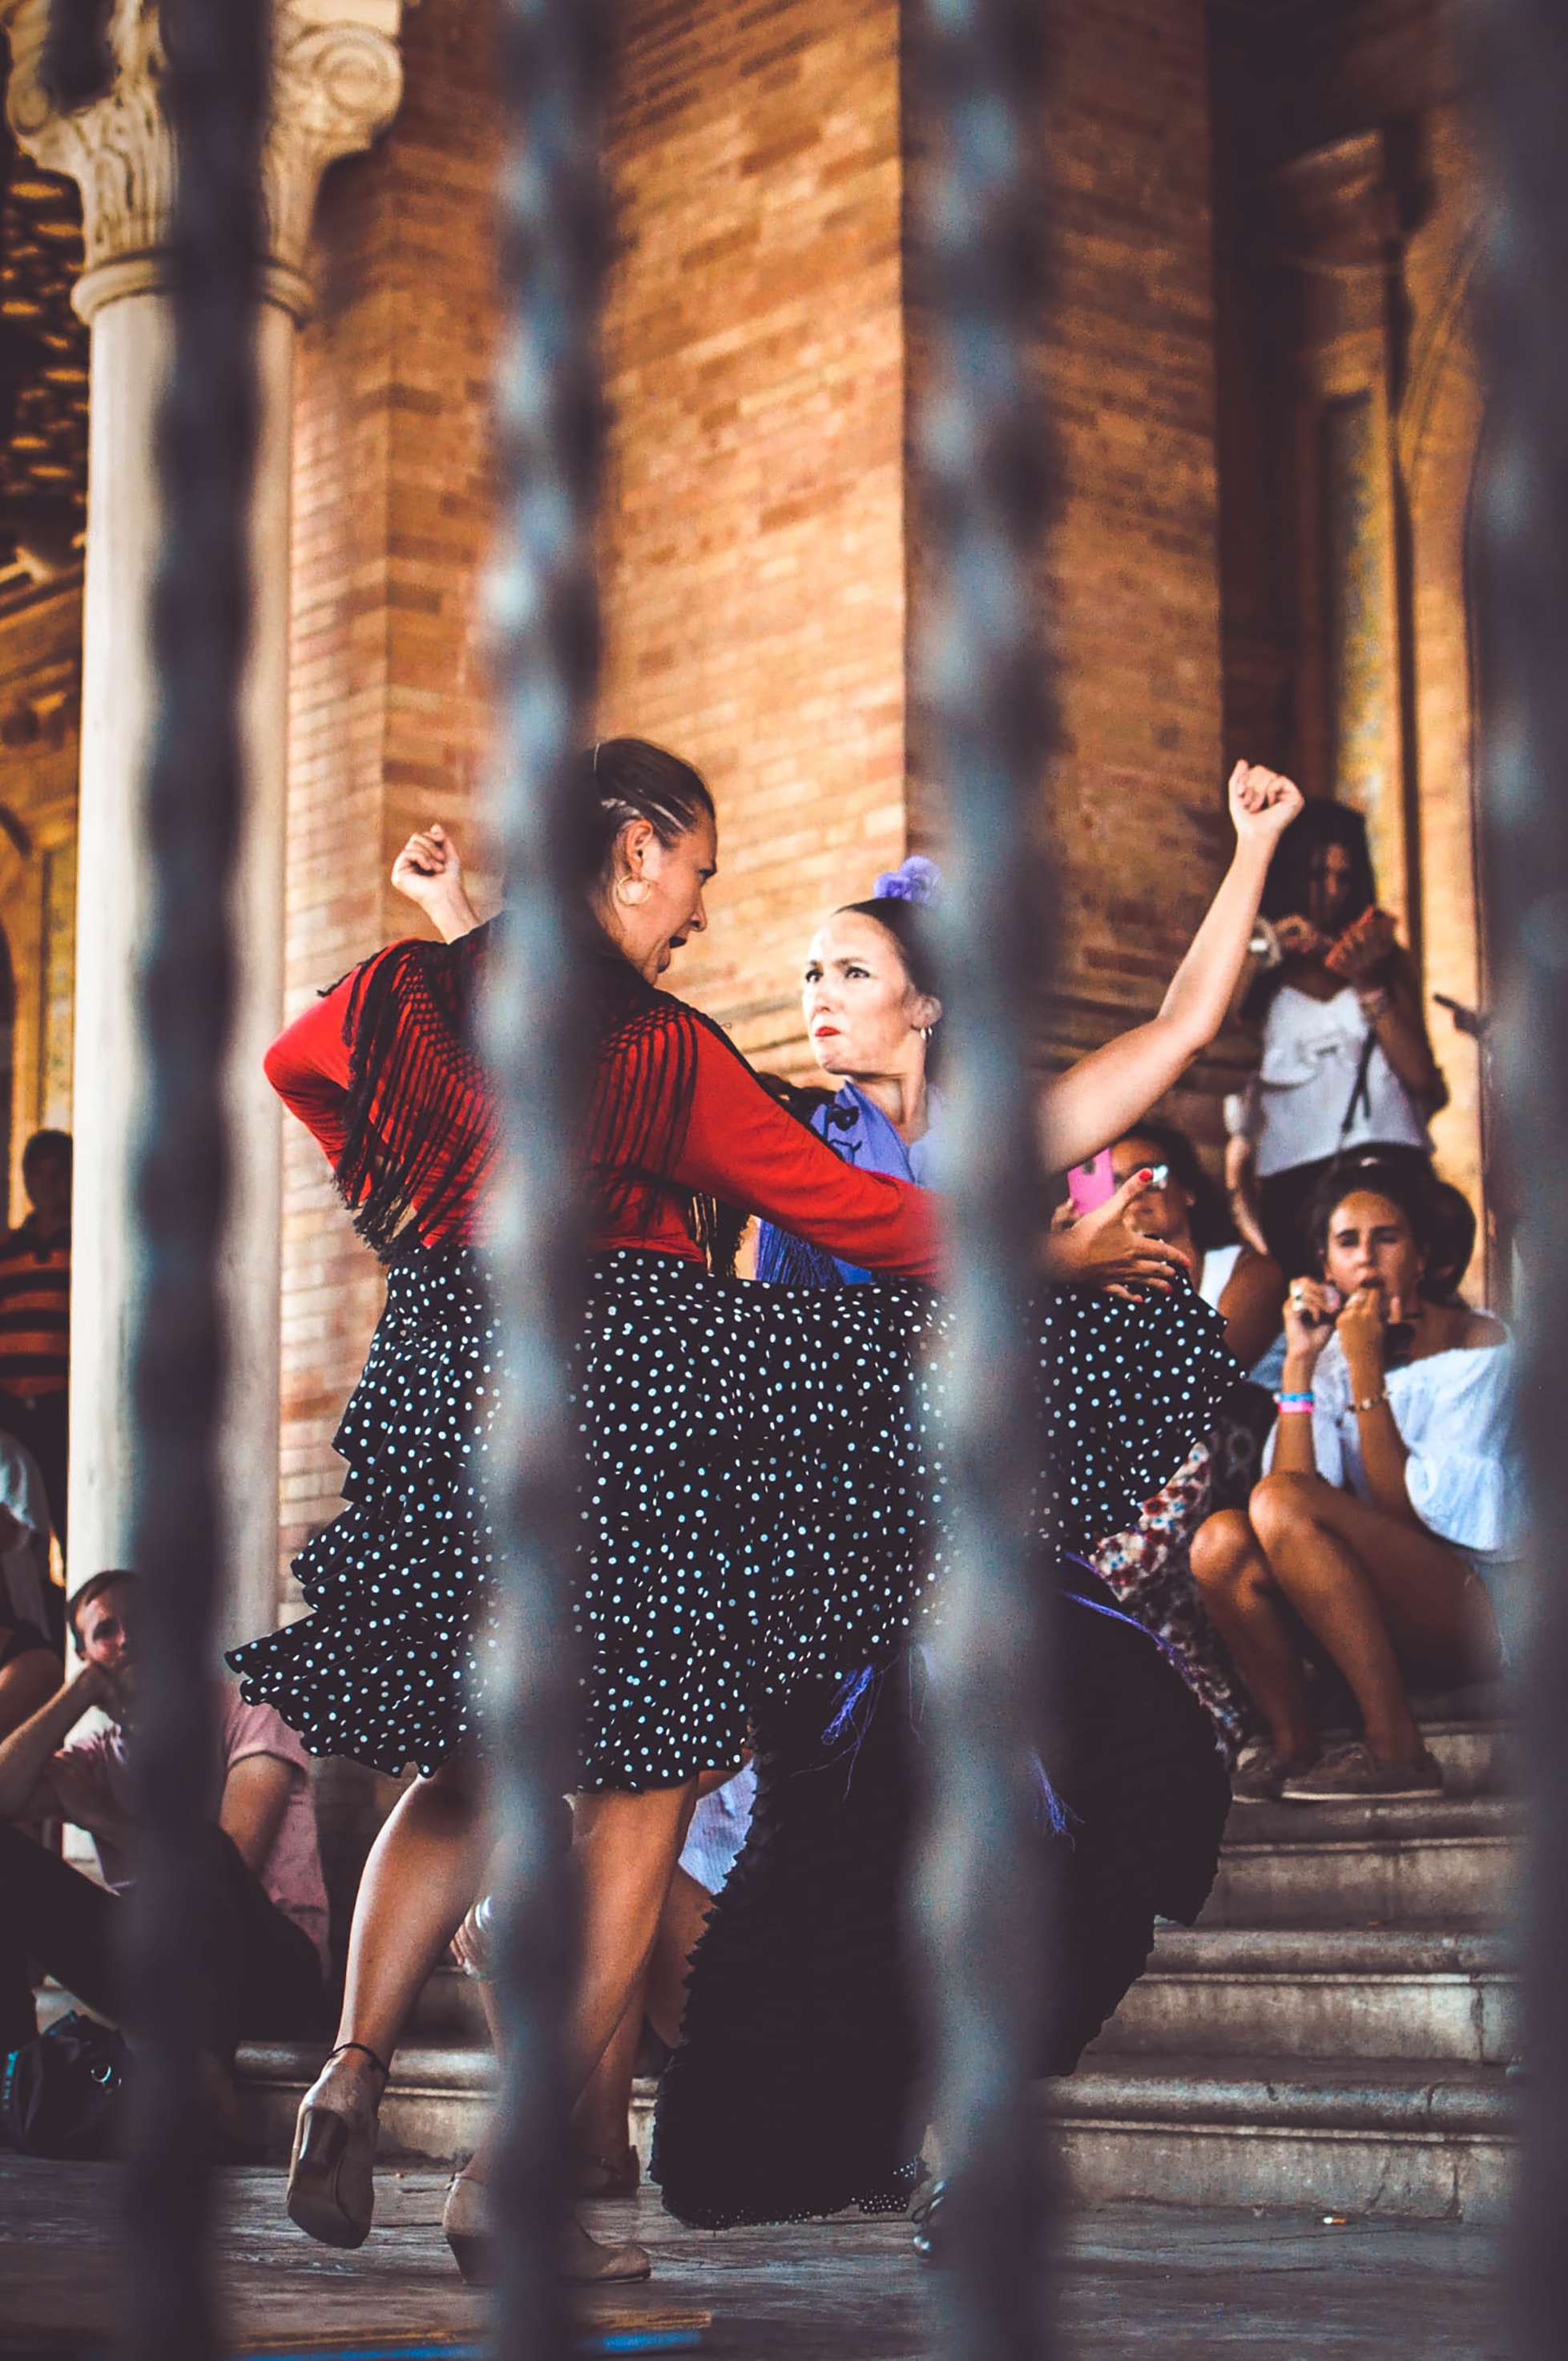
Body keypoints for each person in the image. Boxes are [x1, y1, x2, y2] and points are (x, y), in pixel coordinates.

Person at [231, 737, 953, 2284]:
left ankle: (351, 2066)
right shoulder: (661, 1053)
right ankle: (508, 2176)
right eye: (696, 864)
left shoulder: (406, 995)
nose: (702, 899)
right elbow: (851, 1209)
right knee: (648, 1782)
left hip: (441, 1371)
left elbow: (293, 1064)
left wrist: (407, 1198)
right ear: (634, 850)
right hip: (615, 1391)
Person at [651, 763, 1303, 2232]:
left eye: (850, 970)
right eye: (807, 972)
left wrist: (1253, 844)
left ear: (928, 1002)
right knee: (810, 1962)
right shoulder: (791, 1157)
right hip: (842, 1591)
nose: (817, 995)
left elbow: (1178, 1028)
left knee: (1115, 1787)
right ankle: (873, 2120)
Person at [1189, 1156, 1518, 1802]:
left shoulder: (1478, 1346)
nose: (1366, 1257)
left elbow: (1406, 1514)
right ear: (1325, 1267)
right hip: (1362, 1611)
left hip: (1475, 1611)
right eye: (1347, 1242)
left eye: (1385, 1238)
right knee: (1220, 1542)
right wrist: (1300, 1365)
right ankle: (1294, 1745)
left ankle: (1396, 1749)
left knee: (1281, 1501)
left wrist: (1365, 1368)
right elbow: (1281, 1507)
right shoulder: (1331, 1354)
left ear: (1421, 1258)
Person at [0, 1571, 331, 2088]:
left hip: (272, 1971)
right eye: (105, 1631)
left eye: (141, 1621)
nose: (127, 1639)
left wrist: (99, 1818)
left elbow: (229, 1860)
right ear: (85, 1654)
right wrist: (77, 1691)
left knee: (201, 1848)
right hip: (160, 1973)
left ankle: (207, 2082)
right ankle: (13, 2076)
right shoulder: (96, 1757)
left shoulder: (251, 1709)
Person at [1225, 804, 1445, 1277]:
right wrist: (1267, 947)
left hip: (1385, 1151)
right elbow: (1219, 1039)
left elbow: (1421, 1076)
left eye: (1343, 878)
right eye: (1316, 876)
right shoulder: (1257, 962)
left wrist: (1368, 983)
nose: (1330, 892)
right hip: (1294, 1168)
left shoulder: (1385, 958)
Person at [0, 1130, 72, 1547]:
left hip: (62, 1407)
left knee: (66, 1513)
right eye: (40, 1172)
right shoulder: (7, 1250)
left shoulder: (84, 1248)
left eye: (59, 1171)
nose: (49, 1181)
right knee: (18, 1527)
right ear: (26, 1178)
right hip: (10, 1407)